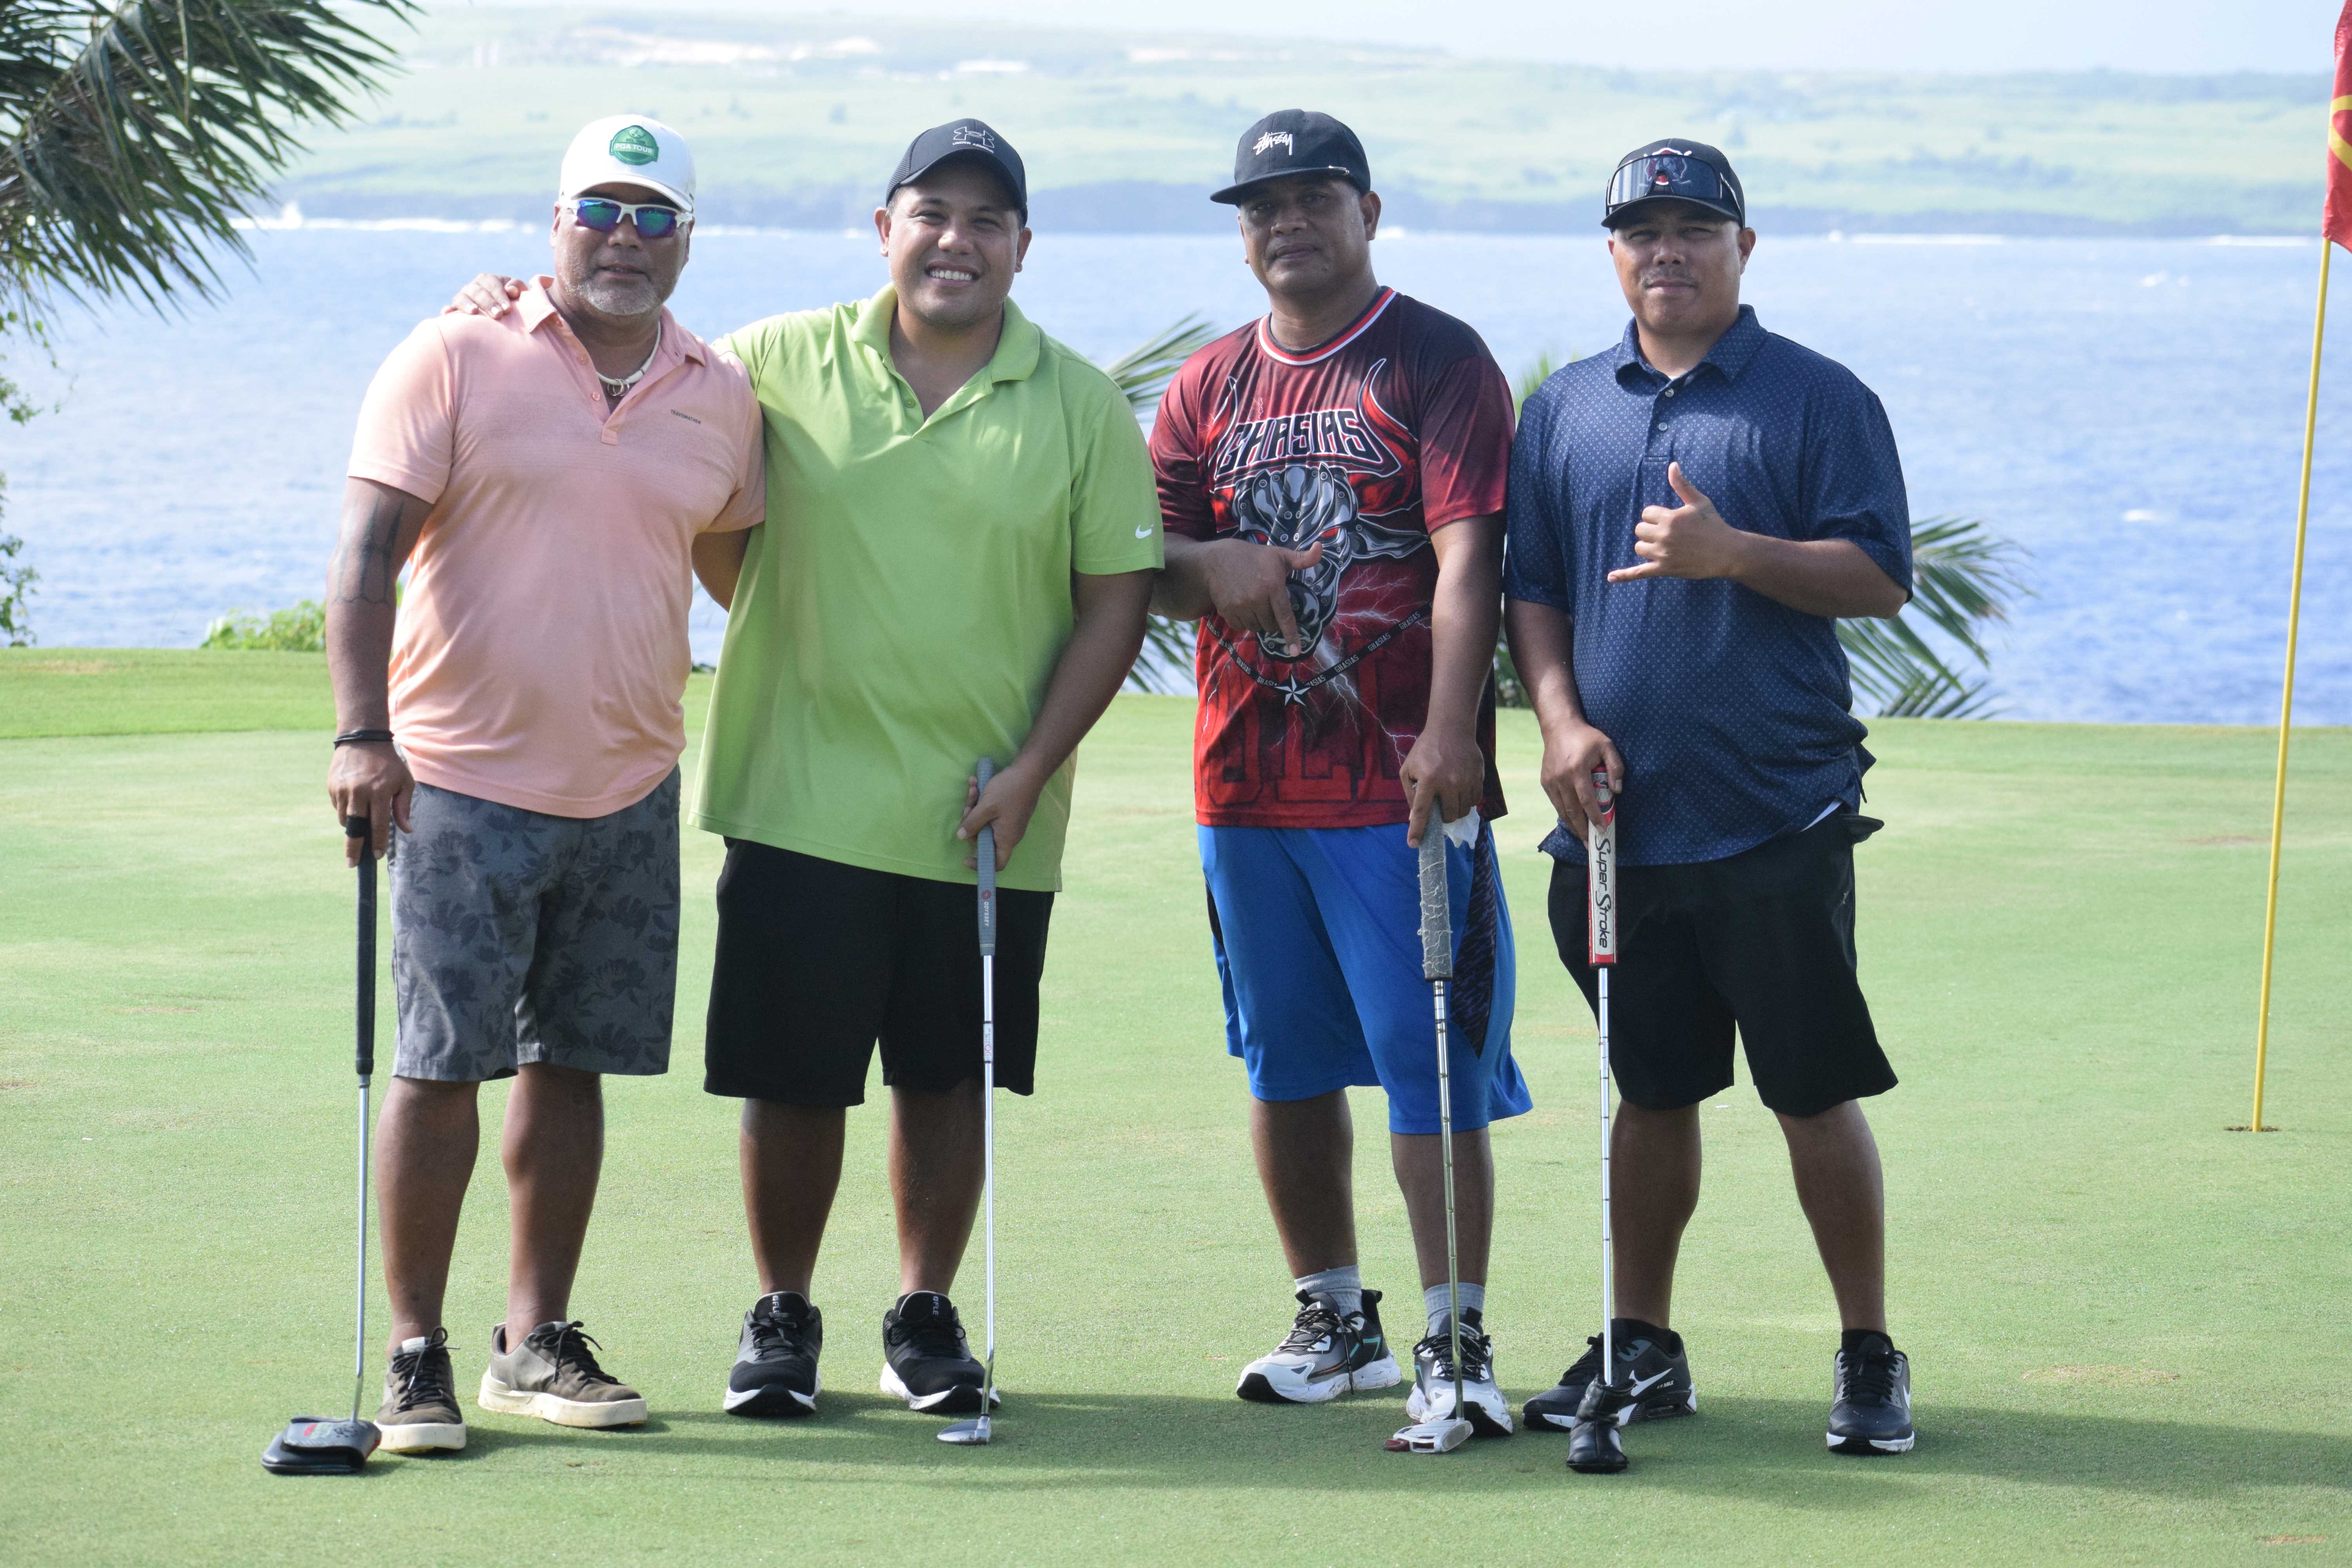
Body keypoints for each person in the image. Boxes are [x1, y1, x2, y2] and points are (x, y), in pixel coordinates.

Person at [450, 119, 1160, 1424]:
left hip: (987, 816)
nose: (956, 239)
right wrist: (511, 303)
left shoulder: (1075, 404)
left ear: (1021, 247)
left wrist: (1038, 767)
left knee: (946, 1079)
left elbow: (1114, 602)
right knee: (794, 1081)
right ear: (884, 230)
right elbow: (667, 440)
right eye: (931, 213)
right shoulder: (773, 360)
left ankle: (923, 1311)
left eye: (986, 221)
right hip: (797, 800)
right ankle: (782, 1314)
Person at [325, 115, 765, 1454]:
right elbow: (363, 559)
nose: (623, 241)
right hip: (458, 780)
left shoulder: (720, 393)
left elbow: (744, 577)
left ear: (688, 242)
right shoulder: (455, 351)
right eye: (600, 213)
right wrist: (360, 736)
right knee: (439, 1065)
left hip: (629, 784)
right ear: (556, 223)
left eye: (653, 219)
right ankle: (416, 1354)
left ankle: (535, 1341)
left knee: (571, 1065)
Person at [1502, 139, 1918, 1456]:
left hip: (1775, 813)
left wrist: (1732, 551)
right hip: (1617, 827)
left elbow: (1878, 574)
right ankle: (1645, 1347)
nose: (1666, 250)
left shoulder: (1815, 399)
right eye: (1642, 231)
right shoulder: (1567, 407)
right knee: (1651, 1087)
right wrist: (1561, 724)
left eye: (1695, 228)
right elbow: (1538, 592)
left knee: (1809, 1089)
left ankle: (1867, 1354)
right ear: (1613, 253)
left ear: (1745, 248)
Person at [1149, 110, 1528, 1437]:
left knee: (1434, 1065)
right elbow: (1152, 560)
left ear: (1369, 211)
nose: (1288, 224)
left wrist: (1456, 728)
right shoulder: (1204, 388)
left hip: (1399, 784)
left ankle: (1454, 1337)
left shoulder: (1434, 358)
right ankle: (1337, 1316)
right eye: (1263, 206)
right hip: (1245, 786)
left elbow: (1470, 559)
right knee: (1284, 1065)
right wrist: (1209, 569)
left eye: (1315, 198)